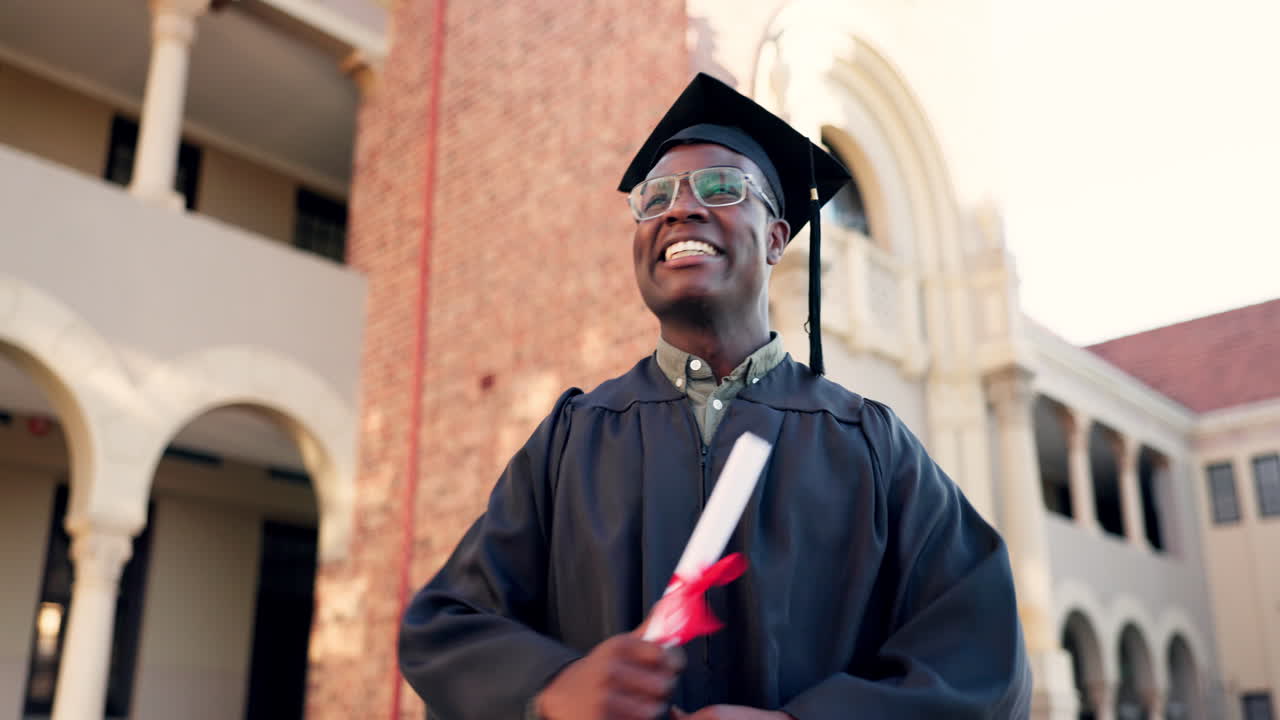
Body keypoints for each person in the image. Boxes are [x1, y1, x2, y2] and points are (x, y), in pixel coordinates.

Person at [399, 73, 1032, 720]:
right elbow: (447, 624)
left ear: (778, 239)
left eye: (721, 188)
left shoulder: (867, 444)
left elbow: (983, 656)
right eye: (655, 197)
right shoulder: (574, 439)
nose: (680, 209)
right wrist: (550, 687)